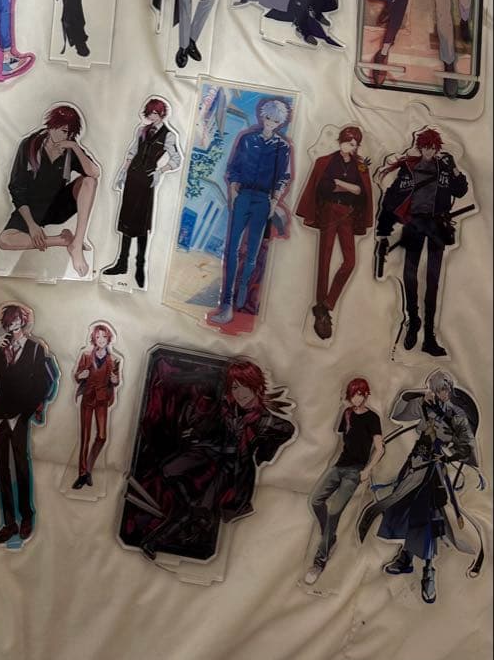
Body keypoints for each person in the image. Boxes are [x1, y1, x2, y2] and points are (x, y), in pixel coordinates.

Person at [139, 358, 294, 560]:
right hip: (212, 450)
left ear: (256, 387)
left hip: (233, 468)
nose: (240, 393)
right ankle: (195, 511)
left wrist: (265, 452)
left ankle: (154, 541)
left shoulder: (266, 421)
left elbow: (287, 429)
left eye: (245, 386)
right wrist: (197, 431)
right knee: (169, 470)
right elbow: (210, 403)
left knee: (202, 505)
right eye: (235, 387)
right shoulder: (229, 405)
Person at [357, 370, 484, 605]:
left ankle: (428, 572)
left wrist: (448, 456)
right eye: (437, 389)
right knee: (401, 509)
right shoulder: (424, 405)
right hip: (415, 463)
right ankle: (406, 558)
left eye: (444, 389)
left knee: (426, 517)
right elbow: (397, 414)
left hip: (434, 469)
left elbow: (467, 446)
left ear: (450, 389)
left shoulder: (456, 414)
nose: (441, 393)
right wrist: (412, 396)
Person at [374, 128, 469, 357]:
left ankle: (429, 336)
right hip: (415, 223)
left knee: (433, 280)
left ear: (437, 148)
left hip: (437, 224)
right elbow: (391, 198)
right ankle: (413, 320)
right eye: (425, 147)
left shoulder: (444, 168)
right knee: (410, 274)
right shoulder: (409, 168)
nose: (428, 151)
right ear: (420, 147)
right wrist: (383, 231)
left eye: (432, 147)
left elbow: (461, 190)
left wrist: (454, 167)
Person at [0, 306, 58, 543]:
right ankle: (9, 523)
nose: (12, 324)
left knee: (21, 466)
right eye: (8, 320)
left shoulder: (35, 348)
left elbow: (45, 382)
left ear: (23, 320)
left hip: (19, 414)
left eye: (16, 319)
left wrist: (28, 411)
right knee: (2, 469)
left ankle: (27, 516)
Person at [207, 99, 292, 326]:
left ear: (280, 123)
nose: (270, 123)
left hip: (263, 201)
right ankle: (226, 302)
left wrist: (274, 200)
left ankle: (243, 286)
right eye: (268, 118)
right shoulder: (247, 139)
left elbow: (283, 177)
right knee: (232, 249)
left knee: (252, 251)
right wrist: (233, 190)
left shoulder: (282, 147)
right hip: (243, 196)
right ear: (262, 116)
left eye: (275, 120)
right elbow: (233, 168)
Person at [0, 104, 100, 278]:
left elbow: (95, 172)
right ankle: (62, 240)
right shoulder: (29, 145)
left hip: (57, 207)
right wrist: (32, 225)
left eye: (69, 133)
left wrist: (75, 147)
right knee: (4, 240)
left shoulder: (69, 148)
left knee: (89, 181)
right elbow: (16, 187)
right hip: (31, 208)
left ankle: (77, 243)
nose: (65, 136)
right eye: (63, 130)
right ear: (51, 126)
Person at [296, 125, 374, 340]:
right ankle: (321, 306)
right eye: (349, 142)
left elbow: (361, 193)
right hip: (330, 212)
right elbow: (323, 188)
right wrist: (348, 186)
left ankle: (327, 303)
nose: (352, 146)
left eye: (355, 144)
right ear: (341, 141)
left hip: (347, 214)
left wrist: (340, 184)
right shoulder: (326, 162)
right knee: (325, 259)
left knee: (350, 262)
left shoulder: (360, 166)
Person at [304, 378, 384, 585]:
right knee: (315, 501)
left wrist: (367, 470)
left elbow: (380, 448)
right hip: (339, 466)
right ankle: (329, 537)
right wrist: (331, 465)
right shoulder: (347, 414)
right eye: (353, 394)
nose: (356, 398)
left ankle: (319, 561)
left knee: (334, 512)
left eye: (360, 394)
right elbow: (342, 443)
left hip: (355, 472)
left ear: (366, 394)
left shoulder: (372, 418)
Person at [103, 99, 182, 288]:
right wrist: (122, 173)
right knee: (126, 221)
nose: (151, 117)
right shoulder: (142, 131)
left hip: (147, 181)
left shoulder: (169, 135)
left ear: (161, 114)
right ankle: (122, 263)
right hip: (132, 179)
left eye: (154, 113)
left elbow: (177, 159)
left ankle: (140, 266)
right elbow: (131, 153)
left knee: (142, 224)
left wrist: (160, 171)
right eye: (149, 113)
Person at [72, 325, 120, 489]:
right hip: (87, 398)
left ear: (108, 339)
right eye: (98, 337)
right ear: (94, 338)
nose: (101, 340)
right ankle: (82, 475)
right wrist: (81, 375)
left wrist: (115, 380)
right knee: (85, 438)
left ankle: (89, 469)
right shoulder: (86, 356)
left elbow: (116, 380)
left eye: (104, 337)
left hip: (102, 400)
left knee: (102, 436)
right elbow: (77, 376)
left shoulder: (114, 360)